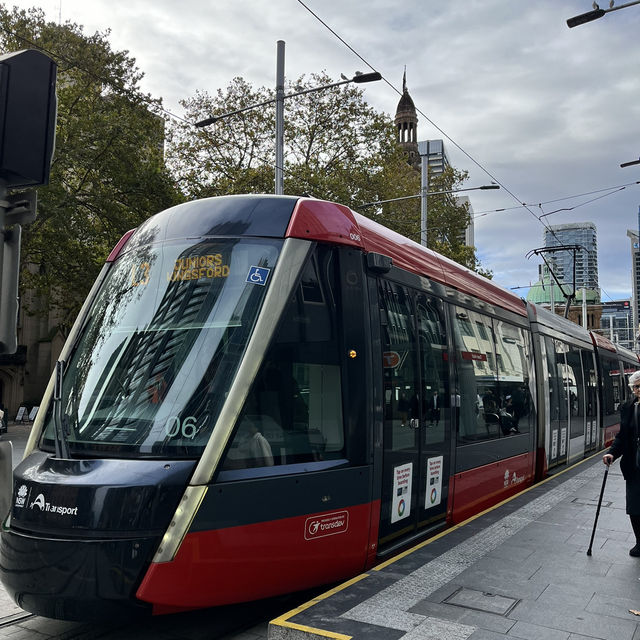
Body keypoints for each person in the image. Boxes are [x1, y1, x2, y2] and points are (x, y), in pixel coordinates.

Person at [603, 370, 640, 556]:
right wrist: (612, 454)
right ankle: (639, 542)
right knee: (634, 507)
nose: (637, 390)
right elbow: (622, 436)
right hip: (634, 465)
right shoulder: (629, 407)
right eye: (635, 387)